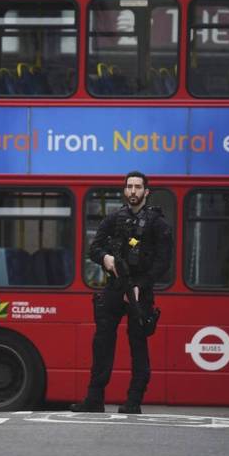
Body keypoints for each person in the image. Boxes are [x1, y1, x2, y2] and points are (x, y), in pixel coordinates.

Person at [70, 171, 173, 414]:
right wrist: (105, 258)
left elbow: (163, 262)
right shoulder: (114, 219)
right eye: (129, 186)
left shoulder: (158, 224)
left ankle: (133, 401)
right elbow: (94, 248)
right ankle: (94, 399)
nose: (133, 191)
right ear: (125, 190)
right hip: (115, 286)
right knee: (102, 343)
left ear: (146, 192)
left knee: (138, 345)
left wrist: (140, 285)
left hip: (140, 291)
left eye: (138, 187)